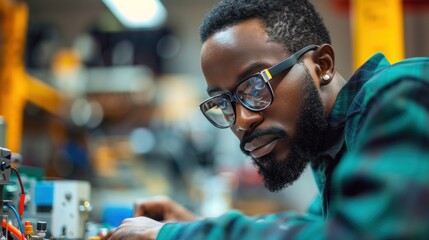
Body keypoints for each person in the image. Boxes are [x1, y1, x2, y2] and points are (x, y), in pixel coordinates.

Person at [104, 0, 429, 239]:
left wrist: (174, 237)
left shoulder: (400, 92)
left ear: (323, 66)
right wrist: (191, 225)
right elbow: (316, 229)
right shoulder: (333, 149)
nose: (242, 121)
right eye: (223, 102)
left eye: (256, 86)